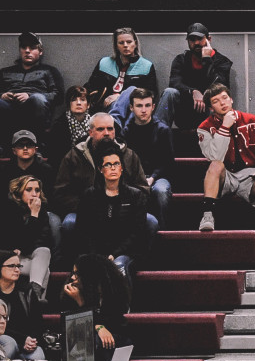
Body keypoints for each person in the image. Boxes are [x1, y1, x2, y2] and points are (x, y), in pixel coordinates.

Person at [195, 84, 255, 253]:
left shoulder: (254, 121)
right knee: (215, 165)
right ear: (211, 108)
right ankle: (208, 215)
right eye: (216, 101)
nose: (223, 103)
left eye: (225, 98)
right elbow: (215, 156)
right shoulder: (204, 128)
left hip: (249, 173)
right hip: (223, 175)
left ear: (231, 99)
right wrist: (225, 127)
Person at [75, 144, 152, 275]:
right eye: (108, 165)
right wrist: (98, 255)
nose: (113, 168)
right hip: (96, 252)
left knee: (118, 267)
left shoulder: (135, 196)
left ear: (122, 168)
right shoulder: (89, 196)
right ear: (100, 169)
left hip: (126, 253)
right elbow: (84, 230)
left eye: (116, 164)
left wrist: (115, 254)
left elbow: (137, 232)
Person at [54, 113, 150, 217]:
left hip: (124, 210)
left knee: (151, 222)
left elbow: (143, 189)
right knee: (69, 223)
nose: (106, 133)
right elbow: (61, 192)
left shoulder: (129, 156)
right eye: (100, 129)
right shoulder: (74, 156)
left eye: (110, 129)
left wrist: (124, 207)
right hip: (86, 211)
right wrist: (87, 207)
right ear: (90, 132)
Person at [159, 23, 232, 129]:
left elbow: (219, 86)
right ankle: (158, 136)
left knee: (217, 98)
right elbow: (174, 82)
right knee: (169, 92)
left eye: (200, 39)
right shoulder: (181, 59)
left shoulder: (222, 61)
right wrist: (193, 91)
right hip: (185, 109)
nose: (196, 43)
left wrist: (207, 59)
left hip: (209, 109)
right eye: (192, 40)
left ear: (209, 39)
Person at [60, 254, 131, 360]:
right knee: (94, 341)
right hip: (80, 338)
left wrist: (99, 326)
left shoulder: (114, 290)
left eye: (77, 274)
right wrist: (81, 303)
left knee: (104, 342)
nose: (72, 277)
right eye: (73, 273)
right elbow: (72, 328)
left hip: (112, 335)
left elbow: (115, 323)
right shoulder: (71, 292)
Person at [85, 28, 159, 127]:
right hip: (105, 107)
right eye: (121, 42)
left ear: (135, 43)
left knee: (132, 90)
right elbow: (91, 87)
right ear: (116, 46)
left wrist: (121, 96)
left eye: (129, 42)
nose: (125, 45)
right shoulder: (104, 63)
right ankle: (116, 125)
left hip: (135, 109)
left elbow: (151, 94)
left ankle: (115, 124)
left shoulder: (146, 65)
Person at [121, 87, 173, 220]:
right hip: (133, 178)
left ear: (153, 107)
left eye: (147, 105)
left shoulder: (163, 130)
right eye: (139, 106)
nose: (144, 110)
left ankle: (164, 233)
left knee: (161, 191)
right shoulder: (126, 132)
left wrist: (152, 178)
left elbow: (168, 162)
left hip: (157, 177)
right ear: (131, 108)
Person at [1, 131, 59, 246]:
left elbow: (51, 197)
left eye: (29, 145)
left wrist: (36, 210)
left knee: (55, 223)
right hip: (11, 211)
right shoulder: (5, 170)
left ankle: (55, 261)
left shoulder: (46, 170)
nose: (25, 148)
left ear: (36, 149)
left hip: (41, 210)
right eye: (21, 145)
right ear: (14, 150)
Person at [0, 32, 63, 138]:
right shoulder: (5, 72)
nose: (27, 51)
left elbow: (59, 95)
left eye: (32, 47)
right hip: (9, 109)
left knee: (38, 98)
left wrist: (29, 95)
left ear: (40, 51)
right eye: (24, 47)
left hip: (34, 111)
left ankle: (38, 144)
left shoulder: (49, 70)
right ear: (20, 50)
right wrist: (2, 95)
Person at [1, 176, 54, 290]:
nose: (34, 194)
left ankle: (34, 295)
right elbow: (20, 243)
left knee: (44, 251)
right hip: (8, 259)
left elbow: (43, 242)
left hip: (29, 256)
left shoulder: (42, 211)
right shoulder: (7, 209)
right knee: (45, 271)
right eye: (29, 190)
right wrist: (33, 215)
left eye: (37, 190)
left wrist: (35, 213)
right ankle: (36, 301)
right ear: (20, 192)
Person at [0, 250, 48, 357]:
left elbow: (37, 322)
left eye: (19, 266)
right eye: (12, 266)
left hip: (27, 342)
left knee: (37, 356)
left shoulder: (27, 291)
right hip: (5, 340)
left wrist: (32, 342)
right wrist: (22, 339)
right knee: (9, 343)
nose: (17, 270)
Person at [45, 86, 91, 162]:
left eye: (82, 100)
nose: (78, 103)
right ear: (69, 104)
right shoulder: (59, 125)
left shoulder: (95, 123)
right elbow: (54, 154)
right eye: (74, 100)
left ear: (88, 104)